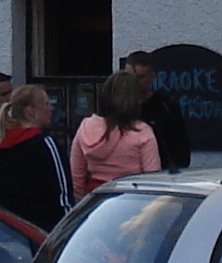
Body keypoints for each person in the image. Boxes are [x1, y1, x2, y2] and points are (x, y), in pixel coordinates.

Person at [0, 82, 71, 230]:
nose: (51, 109)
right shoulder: (45, 144)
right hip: (44, 233)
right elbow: (62, 195)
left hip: (9, 232)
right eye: (46, 104)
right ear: (30, 111)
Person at [69, 68, 164, 196]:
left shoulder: (86, 127)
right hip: (131, 201)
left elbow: (76, 178)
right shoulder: (142, 132)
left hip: (95, 201)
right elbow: (152, 182)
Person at [121, 49, 192, 171]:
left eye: (140, 77)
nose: (133, 83)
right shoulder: (117, 106)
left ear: (152, 77)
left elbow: (181, 150)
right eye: (129, 77)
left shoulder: (166, 107)